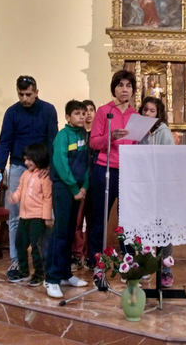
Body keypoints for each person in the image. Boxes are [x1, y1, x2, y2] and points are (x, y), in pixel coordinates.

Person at [0, 76, 58, 276]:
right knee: (15, 216)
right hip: (19, 166)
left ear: (36, 92)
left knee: (45, 216)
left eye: (28, 94)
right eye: (20, 94)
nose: (24, 98)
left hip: (43, 169)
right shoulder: (12, 112)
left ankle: (43, 263)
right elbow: (4, 142)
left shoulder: (48, 110)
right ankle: (16, 261)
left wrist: (51, 168)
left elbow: (53, 140)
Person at [88, 70, 138, 280]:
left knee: (126, 221)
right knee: (100, 218)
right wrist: (110, 137)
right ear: (114, 88)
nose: (124, 89)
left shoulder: (136, 116)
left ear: (133, 90)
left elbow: (135, 144)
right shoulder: (104, 111)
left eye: (128, 85)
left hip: (127, 172)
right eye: (120, 85)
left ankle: (128, 263)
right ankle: (97, 261)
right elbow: (93, 142)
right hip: (105, 170)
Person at [44, 100, 89, 298]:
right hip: (64, 188)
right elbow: (60, 163)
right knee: (60, 233)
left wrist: (84, 187)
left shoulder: (83, 135)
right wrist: (73, 187)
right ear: (68, 117)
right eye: (77, 113)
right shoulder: (62, 136)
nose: (82, 116)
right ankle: (51, 279)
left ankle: (64, 274)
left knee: (71, 232)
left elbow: (87, 164)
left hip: (78, 190)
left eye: (84, 113)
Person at [138, 96, 175, 288]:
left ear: (159, 114)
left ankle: (165, 268)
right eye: (145, 110)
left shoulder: (163, 131)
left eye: (152, 111)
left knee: (163, 227)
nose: (147, 114)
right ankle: (145, 264)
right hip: (143, 186)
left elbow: (169, 158)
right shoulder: (139, 131)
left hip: (161, 186)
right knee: (144, 227)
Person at [6, 143, 53, 287]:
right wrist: (15, 197)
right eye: (25, 159)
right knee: (20, 243)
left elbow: (47, 198)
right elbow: (20, 189)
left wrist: (46, 217)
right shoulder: (25, 174)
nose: (25, 162)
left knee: (36, 247)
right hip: (24, 216)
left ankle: (39, 273)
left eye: (29, 159)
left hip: (37, 218)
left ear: (38, 158)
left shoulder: (44, 177)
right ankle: (24, 270)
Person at [70, 100, 96, 272]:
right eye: (84, 111)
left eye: (91, 110)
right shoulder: (76, 134)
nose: (87, 114)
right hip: (79, 184)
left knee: (92, 221)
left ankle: (90, 255)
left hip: (94, 182)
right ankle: (76, 255)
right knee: (77, 221)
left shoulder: (97, 133)